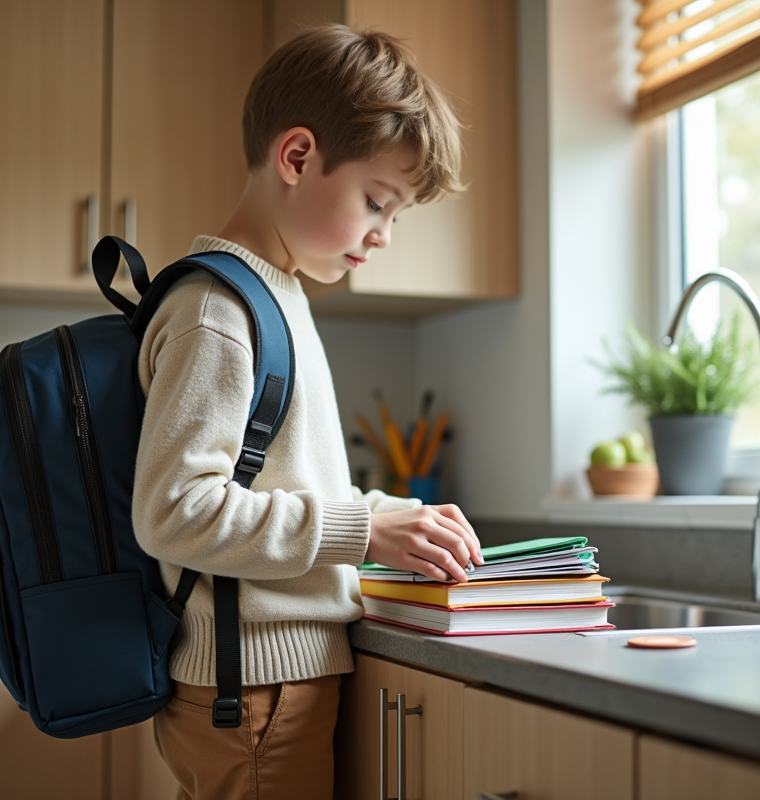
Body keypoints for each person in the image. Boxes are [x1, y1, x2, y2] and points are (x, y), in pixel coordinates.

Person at [132, 23, 480, 800]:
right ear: (296, 157)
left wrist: (388, 515)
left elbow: (281, 484)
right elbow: (177, 512)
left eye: (395, 216)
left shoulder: (275, 295)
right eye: (376, 202)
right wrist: (365, 532)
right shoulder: (218, 312)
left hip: (270, 684)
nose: (383, 235)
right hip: (254, 691)